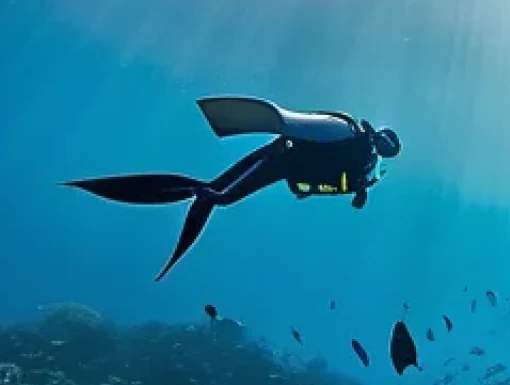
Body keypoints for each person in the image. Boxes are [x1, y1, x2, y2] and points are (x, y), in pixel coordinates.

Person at [64, 96, 401, 280]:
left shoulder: (354, 147)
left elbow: (295, 128)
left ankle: (180, 196)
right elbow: (301, 138)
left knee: (217, 195)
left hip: (280, 161)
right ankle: (186, 197)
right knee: (218, 196)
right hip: (283, 164)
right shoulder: (360, 165)